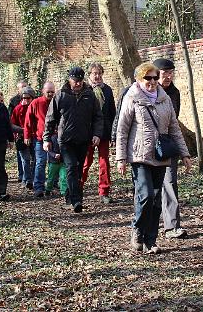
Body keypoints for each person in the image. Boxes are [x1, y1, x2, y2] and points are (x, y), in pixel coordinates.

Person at [115, 62, 192, 254]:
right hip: (139, 155)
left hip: (161, 155)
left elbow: (174, 127)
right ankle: (137, 229)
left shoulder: (165, 98)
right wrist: (120, 158)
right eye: (147, 78)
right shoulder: (131, 97)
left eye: (155, 78)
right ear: (139, 79)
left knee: (157, 198)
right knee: (146, 195)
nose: (152, 81)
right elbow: (122, 129)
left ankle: (151, 240)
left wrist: (185, 154)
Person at [42, 67, 103, 213]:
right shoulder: (61, 95)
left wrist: (97, 134)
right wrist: (47, 138)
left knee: (79, 169)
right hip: (65, 140)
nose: (78, 83)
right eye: (75, 81)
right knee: (71, 167)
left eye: (80, 81)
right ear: (70, 79)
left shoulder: (90, 95)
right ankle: (77, 200)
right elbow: (50, 119)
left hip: (83, 139)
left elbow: (98, 117)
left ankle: (70, 197)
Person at [153, 58, 187, 239]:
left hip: (167, 144)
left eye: (171, 73)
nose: (168, 76)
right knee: (147, 188)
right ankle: (145, 226)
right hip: (147, 144)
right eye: (164, 73)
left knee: (170, 182)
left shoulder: (175, 93)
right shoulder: (144, 91)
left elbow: (174, 121)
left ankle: (172, 226)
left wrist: (182, 151)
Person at [81, 63, 116, 204]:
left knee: (104, 162)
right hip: (88, 133)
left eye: (100, 73)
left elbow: (112, 112)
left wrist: (113, 133)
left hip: (104, 132)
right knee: (85, 162)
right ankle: (78, 188)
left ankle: (104, 192)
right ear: (89, 75)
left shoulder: (107, 90)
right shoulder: (84, 90)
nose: (98, 76)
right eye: (95, 73)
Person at [25, 82, 55, 197]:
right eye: (48, 92)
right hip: (39, 138)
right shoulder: (36, 103)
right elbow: (28, 120)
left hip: (55, 138)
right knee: (40, 162)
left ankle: (53, 184)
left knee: (55, 162)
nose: (50, 94)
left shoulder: (57, 102)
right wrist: (27, 135)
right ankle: (38, 186)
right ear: (43, 91)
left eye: (52, 91)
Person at [11, 87, 36, 190]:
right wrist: (22, 131)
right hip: (21, 137)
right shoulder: (17, 108)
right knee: (25, 160)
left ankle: (33, 179)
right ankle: (27, 179)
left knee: (36, 159)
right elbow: (12, 124)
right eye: (23, 97)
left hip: (34, 137)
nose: (25, 100)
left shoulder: (35, 107)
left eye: (28, 98)